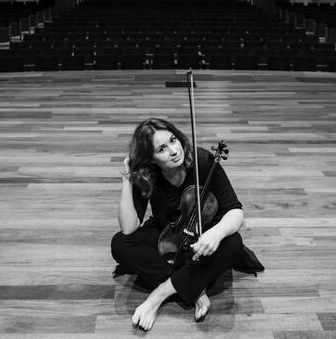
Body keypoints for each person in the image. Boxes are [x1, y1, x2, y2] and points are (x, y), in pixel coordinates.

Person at [111, 118, 263, 331]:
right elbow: (128, 228)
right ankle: (195, 287)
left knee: (233, 243)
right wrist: (127, 179)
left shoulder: (203, 161)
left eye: (173, 140)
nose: (174, 151)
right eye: (162, 149)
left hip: (205, 234)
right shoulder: (149, 174)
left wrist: (216, 233)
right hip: (169, 233)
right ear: (151, 159)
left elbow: (235, 211)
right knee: (120, 244)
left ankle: (159, 294)